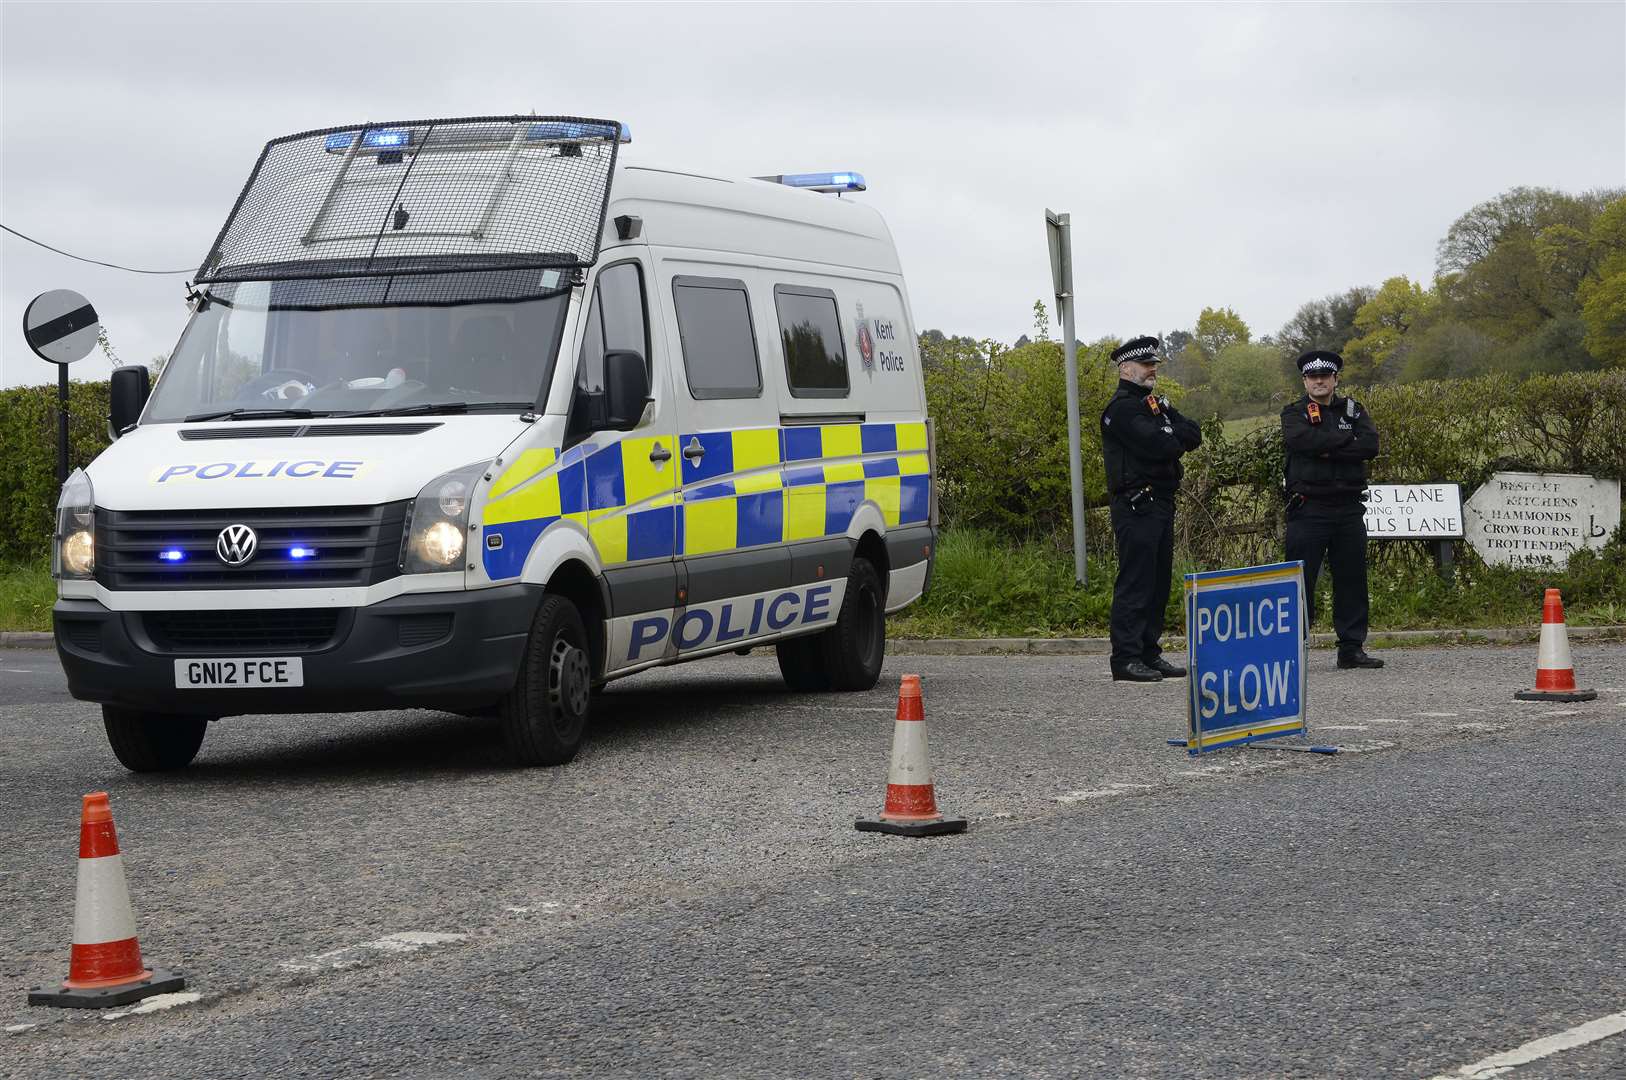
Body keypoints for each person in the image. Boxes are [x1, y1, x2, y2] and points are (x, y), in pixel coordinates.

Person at [1101, 336, 1203, 682]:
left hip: (1161, 501)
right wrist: (1170, 434)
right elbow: (1162, 445)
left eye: (1154, 365)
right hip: (1136, 504)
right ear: (1126, 368)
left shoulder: (1153, 405)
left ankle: (1148, 652)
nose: (1153, 371)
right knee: (1136, 581)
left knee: (1158, 581)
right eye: (1146, 365)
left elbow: (1193, 433)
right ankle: (1126, 658)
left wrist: (1168, 430)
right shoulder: (1122, 409)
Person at [1281, 350, 1383, 669]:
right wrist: (1344, 441)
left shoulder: (1353, 410)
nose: (1319, 381)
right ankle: (1292, 650)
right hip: (1309, 508)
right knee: (1299, 581)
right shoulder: (1294, 412)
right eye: (1313, 377)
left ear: (1335, 379)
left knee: (1352, 579)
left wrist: (1325, 447)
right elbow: (1301, 442)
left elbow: (1370, 445)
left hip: (1349, 509)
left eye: (1325, 376)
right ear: (1305, 381)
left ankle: (1351, 649)